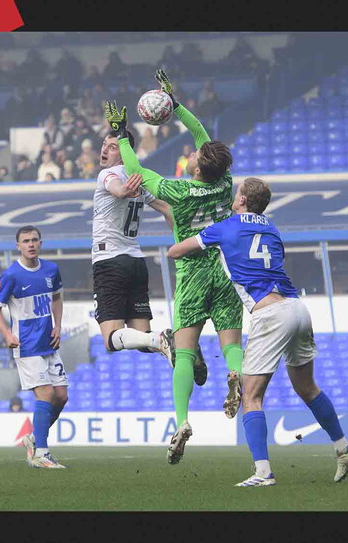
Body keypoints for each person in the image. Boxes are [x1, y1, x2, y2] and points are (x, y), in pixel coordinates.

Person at [166, 178, 348, 487]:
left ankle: (262, 473)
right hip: (296, 308)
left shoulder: (226, 226)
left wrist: (188, 232)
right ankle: (343, 448)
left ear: (242, 200)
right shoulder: (271, 228)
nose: (234, 195)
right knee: (307, 387)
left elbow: (175, 252)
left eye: (238, 192)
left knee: (250, 396)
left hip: (269, 314)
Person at [105, 69, 244, 465]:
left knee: (183, 353)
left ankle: (182, 421)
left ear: (198, 167)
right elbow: (202, 134)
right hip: (224, 269)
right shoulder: (224, 183)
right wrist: (176, 103)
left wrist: (120, 134)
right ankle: (235, 374)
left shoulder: (180, 190)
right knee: (231, 344)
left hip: (193, 273)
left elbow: (136, 171)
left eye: (197, 156)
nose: (195, 152)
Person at [91, 125, 176, 366]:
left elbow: (116, 189)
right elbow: (168, 209)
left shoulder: (108, 175)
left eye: (112, 147)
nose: (104, 151)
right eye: (104, 145)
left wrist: (123, 192)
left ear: (124, 152)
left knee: (110, 339)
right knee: (144, 339)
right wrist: (180, 240)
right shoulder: (138, 177)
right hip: (136, 263)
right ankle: (179, 344)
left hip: (109, 263)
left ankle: (162, 340)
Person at [0, 225, 68, 469]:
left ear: (41, 243)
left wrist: (58, 326)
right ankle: (41, 454)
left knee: (62, 397)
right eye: (26, 241)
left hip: (48, 341)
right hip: (26, 344)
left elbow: (56, 298)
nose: (31, 244)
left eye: (34, 240)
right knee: (45, 394)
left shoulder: (51, 270)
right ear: (18, 246)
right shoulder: (11, 275)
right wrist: (6, 334)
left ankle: (35, 438)